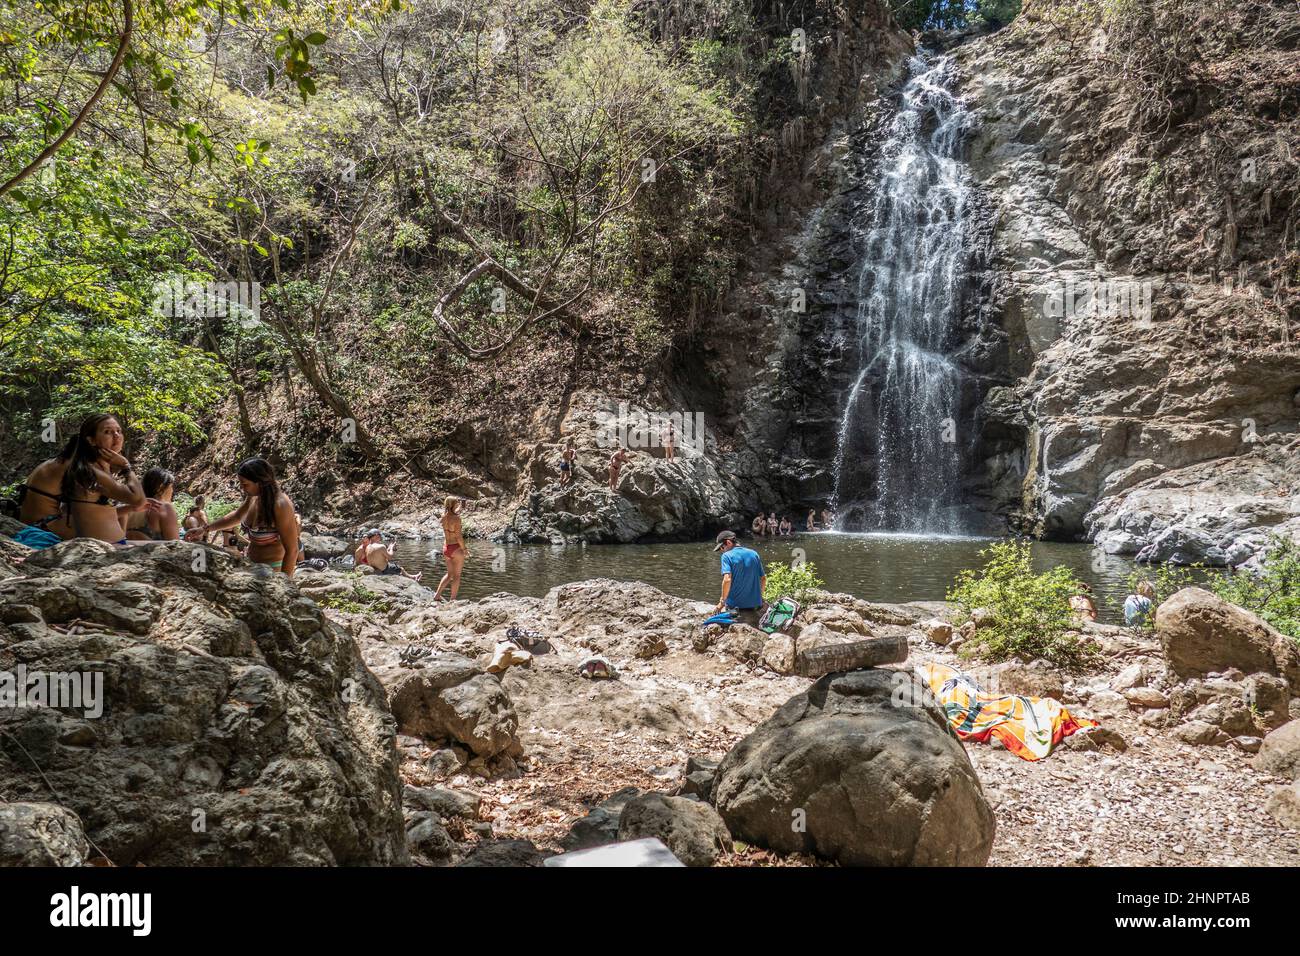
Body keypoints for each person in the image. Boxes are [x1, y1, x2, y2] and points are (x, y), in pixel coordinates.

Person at [185, 458, 300, 575]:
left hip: (272, 569)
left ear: (260, 482)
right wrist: (204, 529)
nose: (242, 488)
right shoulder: (254, 496)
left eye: (245, 484)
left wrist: (285, 584)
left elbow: (292, 550)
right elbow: (237, 517)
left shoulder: (280, 504)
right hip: (251, 564)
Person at [60, 414, 147, 545]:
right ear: (91, 440)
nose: (117, 436)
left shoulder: (95, 468)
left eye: (119, 431)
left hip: (111, 544)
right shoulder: (91, 472)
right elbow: (139, 500)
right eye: (108, 432)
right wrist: (126, 467)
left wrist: (130, 508)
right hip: (104, 549)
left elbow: (97, 512)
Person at [712, 530, 767, 626]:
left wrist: (721, 603)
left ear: (728, 542)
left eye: (722, 547)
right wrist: (760, 598)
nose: (722, 550)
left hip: (736, 608)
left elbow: (727, 579)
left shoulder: (726, 556)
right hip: (755, 606)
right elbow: (763, 578)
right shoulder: (754, 553)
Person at [123, 467, 180, 541]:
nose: (172, 491)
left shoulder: (126, 509)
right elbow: (175, 544)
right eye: (171, 487)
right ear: (161, 487)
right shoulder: (164, 508)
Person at [434, 496, 467, 601]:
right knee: (456, 576)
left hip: (446, 548)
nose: (457, 504)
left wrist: (462, 505)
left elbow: (454, 512)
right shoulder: (457, 519)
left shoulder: (443, 517)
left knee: (449, 574)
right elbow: (458, 536)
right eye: (456, 503)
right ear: (453, 505)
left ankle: (437, 595)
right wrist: (464, 549)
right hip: (456, 548)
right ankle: (452, 600)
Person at [355, 528, 421, 580]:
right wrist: (392, 548)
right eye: (379, 535)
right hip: (385, 570)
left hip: (375, 569)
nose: (380, 537)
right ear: (376, 535)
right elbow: (390, 557)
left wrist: (388, 548)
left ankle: (412, 577)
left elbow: (379, 556)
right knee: (400, 569)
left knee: (398, 570)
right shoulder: (381, 546)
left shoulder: (367, 547)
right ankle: (413, 577)